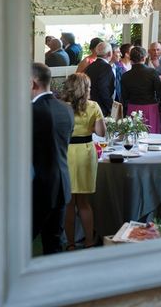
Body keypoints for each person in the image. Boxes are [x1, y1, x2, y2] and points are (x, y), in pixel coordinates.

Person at [31, 62, 74, 255]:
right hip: (61, 184)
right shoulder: (66, 110)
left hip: (36, 187)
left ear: (32, 83)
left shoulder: (30, 112)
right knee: (54, 244)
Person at [61, 73, 106, 250]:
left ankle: (71, 243)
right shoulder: (93, 106)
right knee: (84, 203)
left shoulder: (61, 107)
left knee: (69, 203)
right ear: (86, 89)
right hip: (86, 152)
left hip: (67, 152)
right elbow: (101, 133)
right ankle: (88, 241)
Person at [121, 46, 161, 134]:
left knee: (133, 135)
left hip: (133, 108)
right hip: (150, 107)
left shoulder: (125, 76)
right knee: (152, 135)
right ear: (144, 58)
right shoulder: (152, 72)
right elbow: (160, 91)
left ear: (131, 58)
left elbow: (124, 96)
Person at [83, 41, 115, 116]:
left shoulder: (90, 66)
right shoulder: (106, 67)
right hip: (102, 107)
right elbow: (103, 89)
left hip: (90, 105)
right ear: (110, 53)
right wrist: (110, 106)